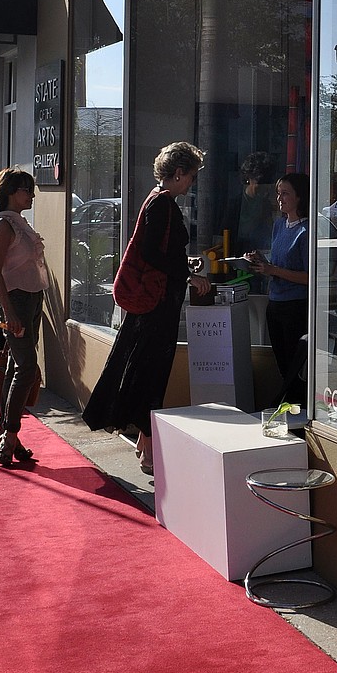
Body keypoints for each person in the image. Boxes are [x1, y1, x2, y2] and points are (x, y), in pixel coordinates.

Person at [82, 141, 211, 474]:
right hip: (157, 305)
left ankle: (146, 445)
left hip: (155, 301)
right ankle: (149, 451)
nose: (191, 183)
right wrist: (186, 275)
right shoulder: (163, 204)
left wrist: (183, 265)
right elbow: (153, 254)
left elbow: (158, 253)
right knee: (150, 373)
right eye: (191, 176)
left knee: (146, 371)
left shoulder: (157, 200)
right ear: (179, 173)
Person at [0, 167, 49, 467]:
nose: (32, 195)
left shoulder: (19, 223)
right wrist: (8, 310)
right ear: (11, 192)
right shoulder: (3, 225)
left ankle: (6, 432)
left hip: (33, 298)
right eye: (27, 189)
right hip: (16, 301)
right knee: (26, 368)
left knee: (15, 367)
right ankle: (10, 435)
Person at [247, 172, 309, 404]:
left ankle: (298, 412)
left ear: (299, 197)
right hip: (275, 304)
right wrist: (260, 261)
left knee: (296, 369)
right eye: (278, 193)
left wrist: (273, 270)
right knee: (282, 366)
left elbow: (308, 277)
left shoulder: (306, 232)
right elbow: (279, 262)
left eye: (285, 193)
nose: (280, 198)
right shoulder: (279, 225)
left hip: (295, 307)